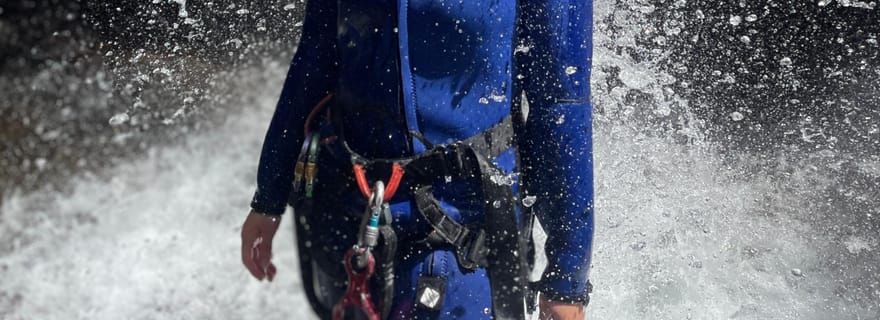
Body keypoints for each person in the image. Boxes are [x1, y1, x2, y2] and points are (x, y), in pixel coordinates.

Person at [240, 1, 594, 319]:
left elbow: (560, 107)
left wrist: (566, 277)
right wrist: (269, 197)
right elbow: (316, 56)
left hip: (467, 236)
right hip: (352, 219)